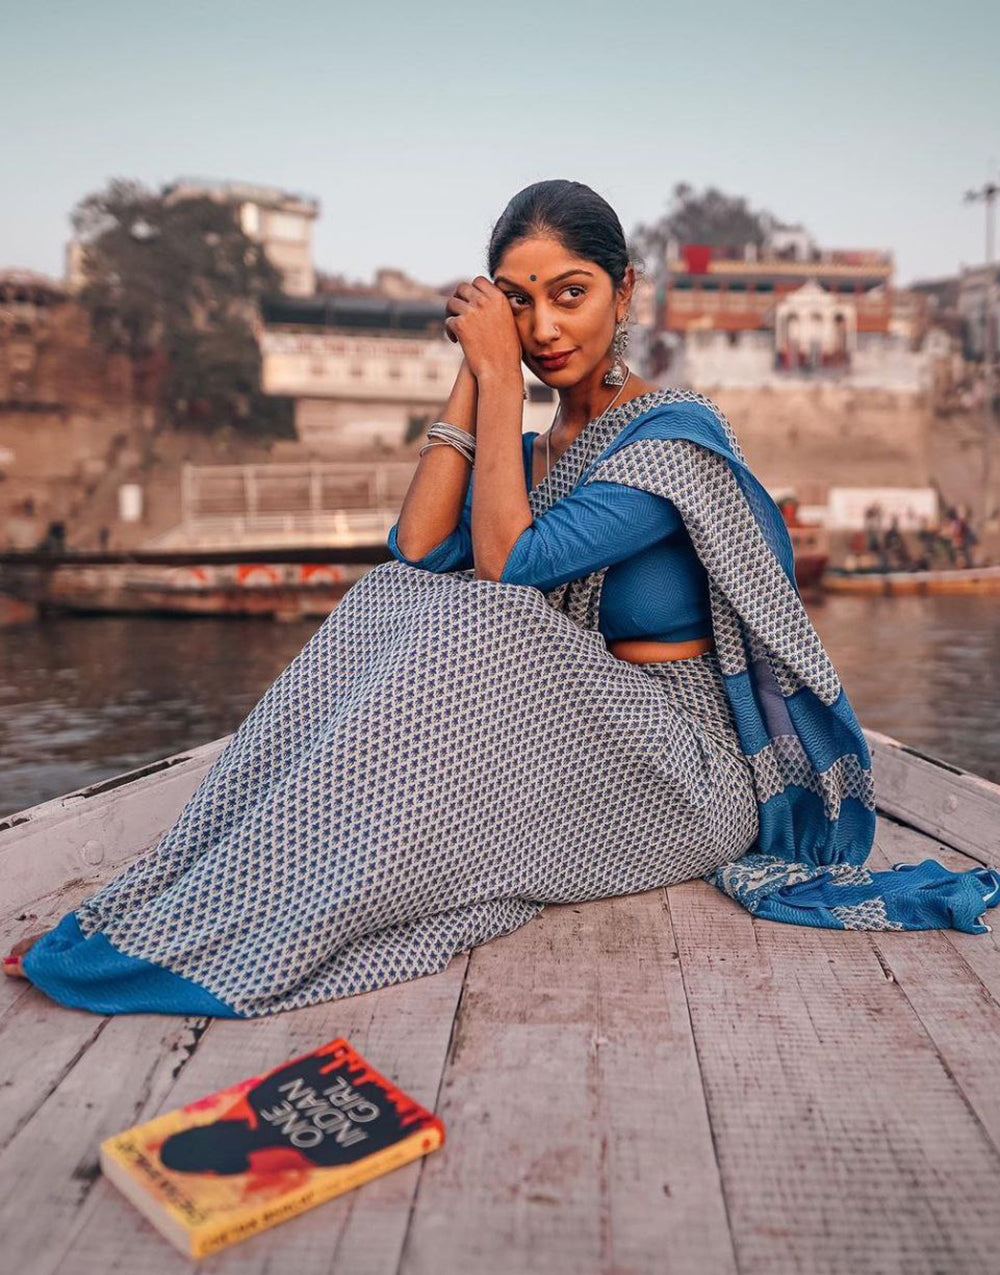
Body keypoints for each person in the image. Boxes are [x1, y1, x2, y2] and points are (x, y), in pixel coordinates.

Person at [6, 180, 998, 1014]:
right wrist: (469, 380)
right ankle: (209, 888)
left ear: (626, 291)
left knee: (480, 614)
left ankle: (248, 922)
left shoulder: (668, 440)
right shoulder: (533, 452)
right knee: (391, 598)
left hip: (689, 770)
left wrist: (492, 373)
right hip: (589, 741)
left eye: (570, 292)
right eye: (519, 306)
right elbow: (416, 547)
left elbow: (504, 570)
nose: (546, 327)